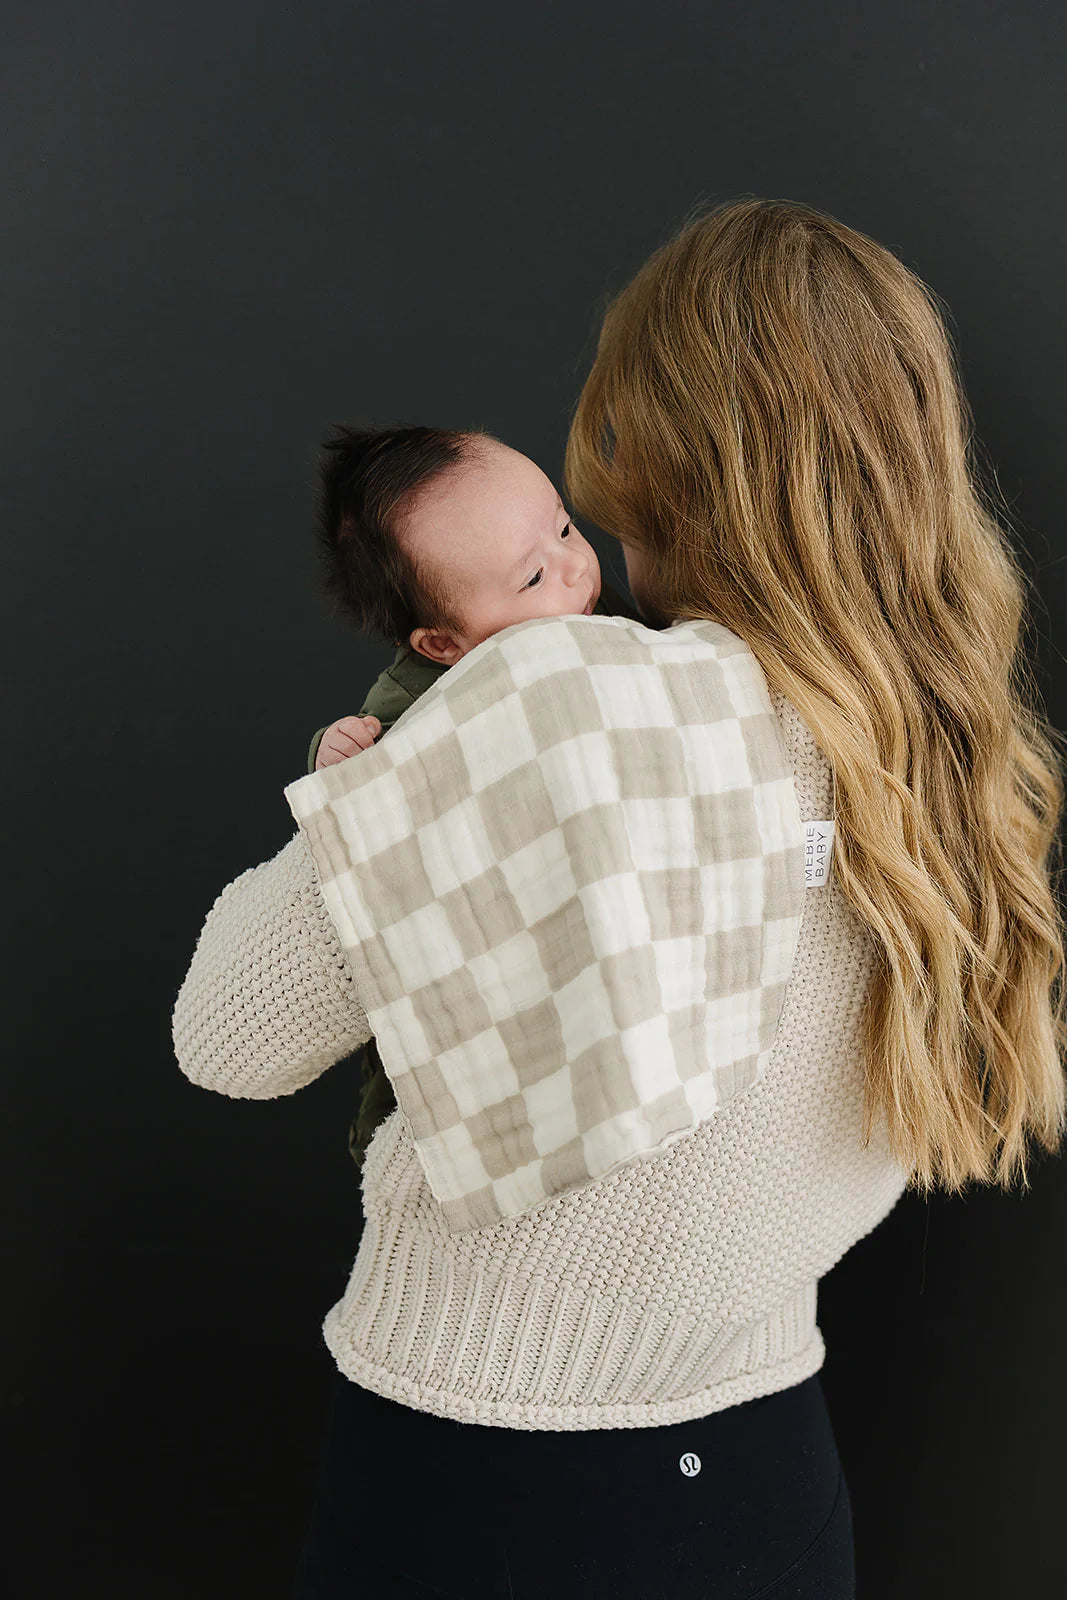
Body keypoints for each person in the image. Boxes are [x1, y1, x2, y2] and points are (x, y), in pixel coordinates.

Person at [171, 198, 1067, 1599]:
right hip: (766, 1475)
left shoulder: (559, 704)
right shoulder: (948, 752)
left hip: (492, 1477)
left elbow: (224, 1038)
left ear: (656, 454)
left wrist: (371, 786)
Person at [299, 425, 646, 1179]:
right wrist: (341, 758)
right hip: (464, 949)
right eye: (531, 579)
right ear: (442, 645)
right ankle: (389, 1135)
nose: (574, 568)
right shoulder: (419, 697)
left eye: (563, 525)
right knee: (422, 1047)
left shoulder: (595, 616)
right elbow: (366, 798)